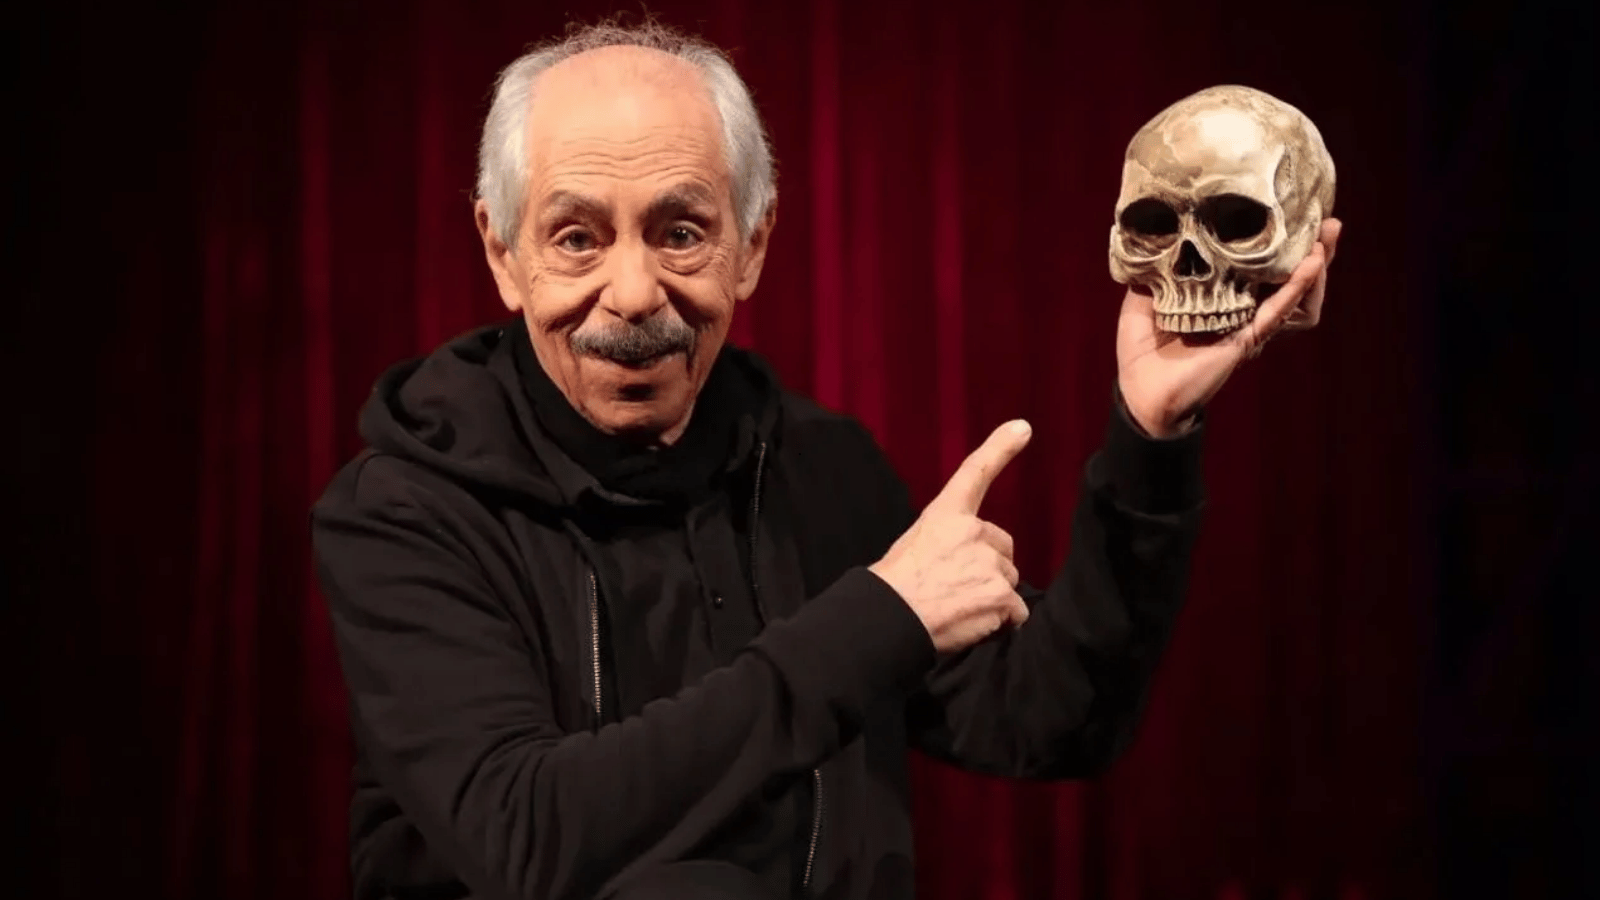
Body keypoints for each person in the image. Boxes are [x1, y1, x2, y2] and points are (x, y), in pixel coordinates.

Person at [311, 20, 1340, 900]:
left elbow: (1051, 718)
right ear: (503, 254)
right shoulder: (402, 509)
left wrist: (1150, 440)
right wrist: (877, 621)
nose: (631, 293)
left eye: (681, 232)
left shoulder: (818, 467)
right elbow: (524, 835)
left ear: (752, 246)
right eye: (577, 238)